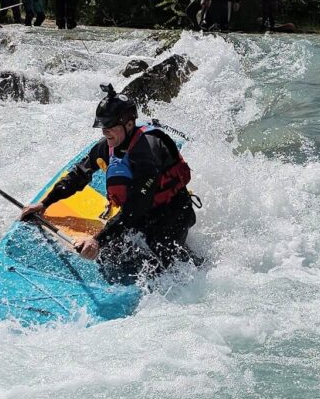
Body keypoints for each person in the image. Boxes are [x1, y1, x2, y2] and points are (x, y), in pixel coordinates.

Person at [20, 84, 196, 272]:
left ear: (129, 125)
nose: (104, 131)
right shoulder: (107, 145)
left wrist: (97, 240)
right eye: (102, 126)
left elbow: (135, 207)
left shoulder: (148, 150)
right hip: (140, 217)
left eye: (110, 126)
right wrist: (45, 203)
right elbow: (79, 174)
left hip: (171, 214)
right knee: (110, 255)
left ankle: (200, 266)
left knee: (167, 265)